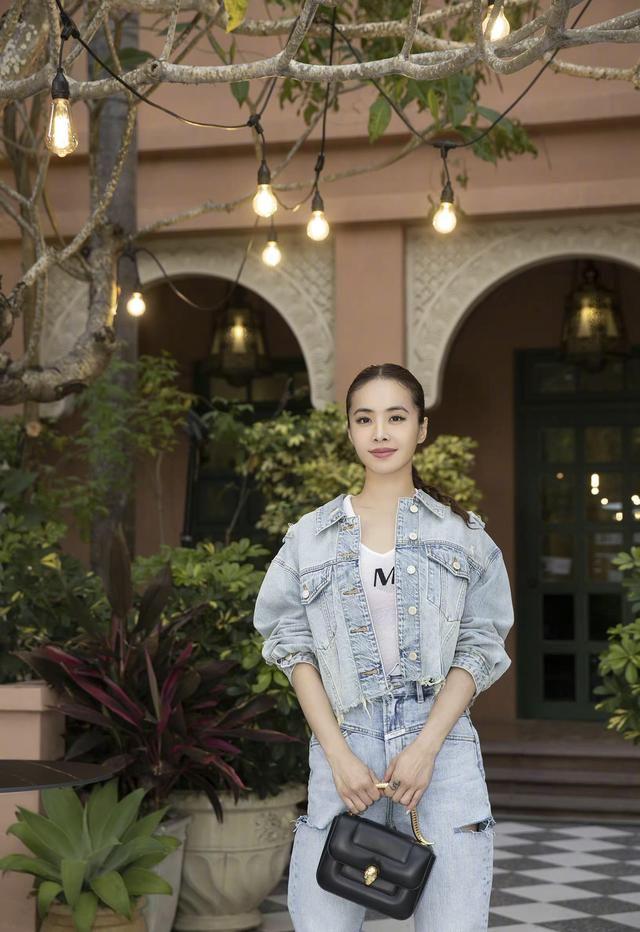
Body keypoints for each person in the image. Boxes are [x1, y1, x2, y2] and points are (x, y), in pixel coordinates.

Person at [252, 362, 514, 931]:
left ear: (421, 428)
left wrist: (425, 747)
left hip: (440, 754)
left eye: (396, 417)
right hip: (345, 750)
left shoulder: (462, 533)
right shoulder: (309, 537)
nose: (380, 433)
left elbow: (481, 643)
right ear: (349, 430)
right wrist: (338, 754)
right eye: (364, 418)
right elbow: (291, 646)